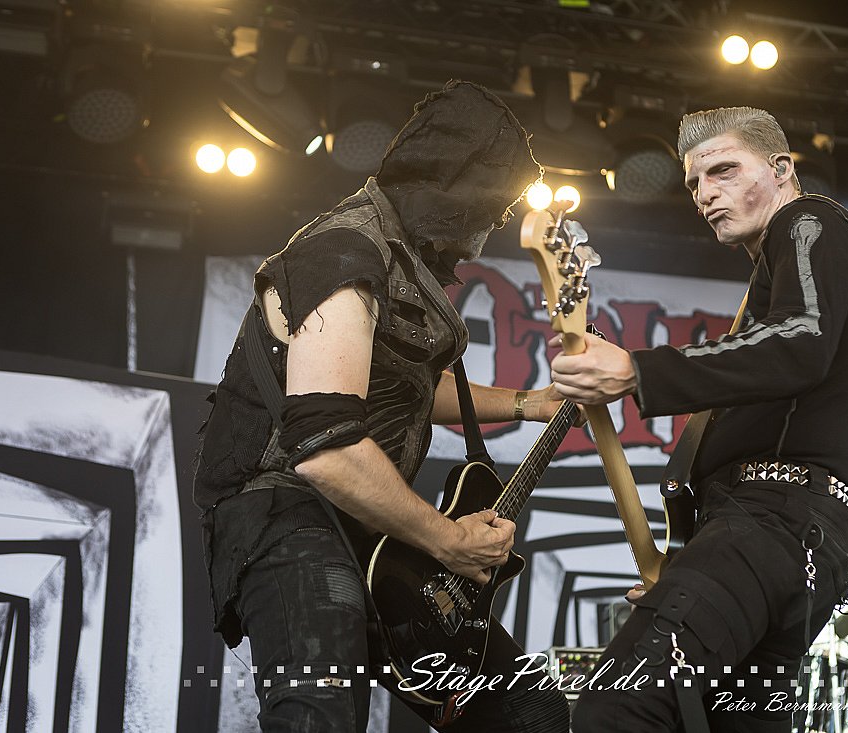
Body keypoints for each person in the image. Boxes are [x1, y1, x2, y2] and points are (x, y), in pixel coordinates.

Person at [193, 80, 570, 732]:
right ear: (456, 186)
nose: (494, 226)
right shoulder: (344, 253)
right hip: (286, 508)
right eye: (494, 207)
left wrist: (529, 403)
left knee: (525, 709)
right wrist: (450, 539)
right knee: (321, 717)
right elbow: (328, 448)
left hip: (367, 528)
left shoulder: (398, 256)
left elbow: (396, 386)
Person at [548, 106, 848, 732]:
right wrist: (690, 565)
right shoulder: (770, 280)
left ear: (782, 169)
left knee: (618, 705)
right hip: (792, 538)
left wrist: (638, 370)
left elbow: (802, 342)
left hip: (774, 520)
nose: (705, 194)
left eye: (724, 171)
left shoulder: (808, 221)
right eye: (694, 183)